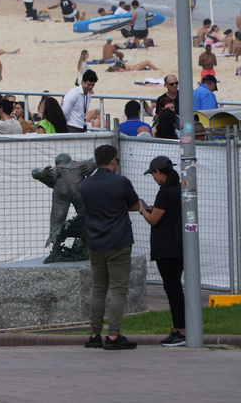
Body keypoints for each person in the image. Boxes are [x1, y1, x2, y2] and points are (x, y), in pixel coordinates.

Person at [79, 145, 141, 350]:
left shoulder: (85, 185)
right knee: (118, 291)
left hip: (96, 243)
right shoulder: (121, 182)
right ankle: (113, 336)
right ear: (113, 160)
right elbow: (134, 205)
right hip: (119, 242)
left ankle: (95, 334)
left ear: (96, 161)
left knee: (98, 290)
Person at [137, 155, 186, 346]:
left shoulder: (164, 193)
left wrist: (142, 209)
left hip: (166, 249)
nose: (153, 178)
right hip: (179, 247)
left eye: (153, 174)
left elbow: (153, 220)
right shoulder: (180, 189)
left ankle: (181, 331)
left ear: (158, 172)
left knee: (172, 289)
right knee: (174, 288)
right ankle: (177, 329)